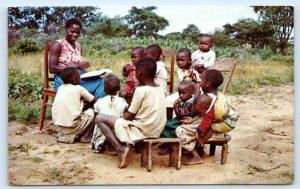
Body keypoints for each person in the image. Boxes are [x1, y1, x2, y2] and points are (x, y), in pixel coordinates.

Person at [95, 57, 167, 169]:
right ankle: (128, 146)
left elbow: (129, 116)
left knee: (100, 118)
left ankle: (120, 148)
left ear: (139, 73)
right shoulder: (161, 90)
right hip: (156, 129)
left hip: (142, 129)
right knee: (122, 120)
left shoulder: (141, 91)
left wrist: (123, 116)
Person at [49, 18, 105, 99]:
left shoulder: (78, 46)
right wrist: (76, 66)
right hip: (65, 82)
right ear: (66, 29)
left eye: (78, 33)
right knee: (101, 83)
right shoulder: (58, 44)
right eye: (72, 31)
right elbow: (52, 68)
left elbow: (78, 66)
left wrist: (88, 73)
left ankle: (93, 107)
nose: (75, 35)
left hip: (78, 79)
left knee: (102, 80)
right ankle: (94, 107)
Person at [52, 67, 96, 144]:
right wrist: (88, 106)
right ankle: (86, 136)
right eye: (79, 77)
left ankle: (67, 134)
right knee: (95, 111)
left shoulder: (60, 88)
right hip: (73, 127)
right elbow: (93, 100)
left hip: (60, 127)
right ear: (74, 80)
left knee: (79, 112)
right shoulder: (79, 88)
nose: (81, 79)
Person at [91, 74, 128, 153]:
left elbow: (96, 117)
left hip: (102, 132)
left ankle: (100, 143)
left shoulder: (99, 101)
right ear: (118, 88)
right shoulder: (123, 101)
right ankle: (114, 144)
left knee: (98, 123)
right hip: (117, 132)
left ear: (104, 89)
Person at [166, 48, 200, 119]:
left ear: (189, 61)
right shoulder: (179, 71)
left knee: (186, 104)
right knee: (167, 100)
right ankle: (169, 120)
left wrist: (194, 79)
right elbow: (183, 83)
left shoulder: (194, 72)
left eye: (182, 60)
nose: (180, 62)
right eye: (178, 60)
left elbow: (197, 86)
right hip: (182, 92)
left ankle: (181, 119)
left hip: (192, 94)